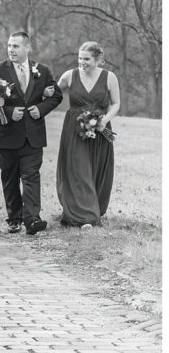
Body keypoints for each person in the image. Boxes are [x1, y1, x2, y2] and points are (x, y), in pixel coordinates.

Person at [0, 31, 63, 235]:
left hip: (32, 136)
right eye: (9, 46)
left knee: (31, 176)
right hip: (6, 135)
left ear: (28, 47)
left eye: (16, 46)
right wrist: (8, 111)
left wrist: (41, 109)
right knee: (10, 178)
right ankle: (14, 218)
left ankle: (32, 219)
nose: (11, 50)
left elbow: (57, 96)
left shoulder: (41, 71)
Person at [55, 42, 119, 227]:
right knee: (78, 170)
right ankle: (85, 217)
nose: (82, 62)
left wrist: (104, 120)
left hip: (100, 129)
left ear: (99, 60)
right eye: (79, 58)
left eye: (87, 59)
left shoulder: (109, 77)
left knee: (96, 169)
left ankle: (92, 207)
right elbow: (52, 94)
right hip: (74, 130)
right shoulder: (69, 76)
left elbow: (115, 103)